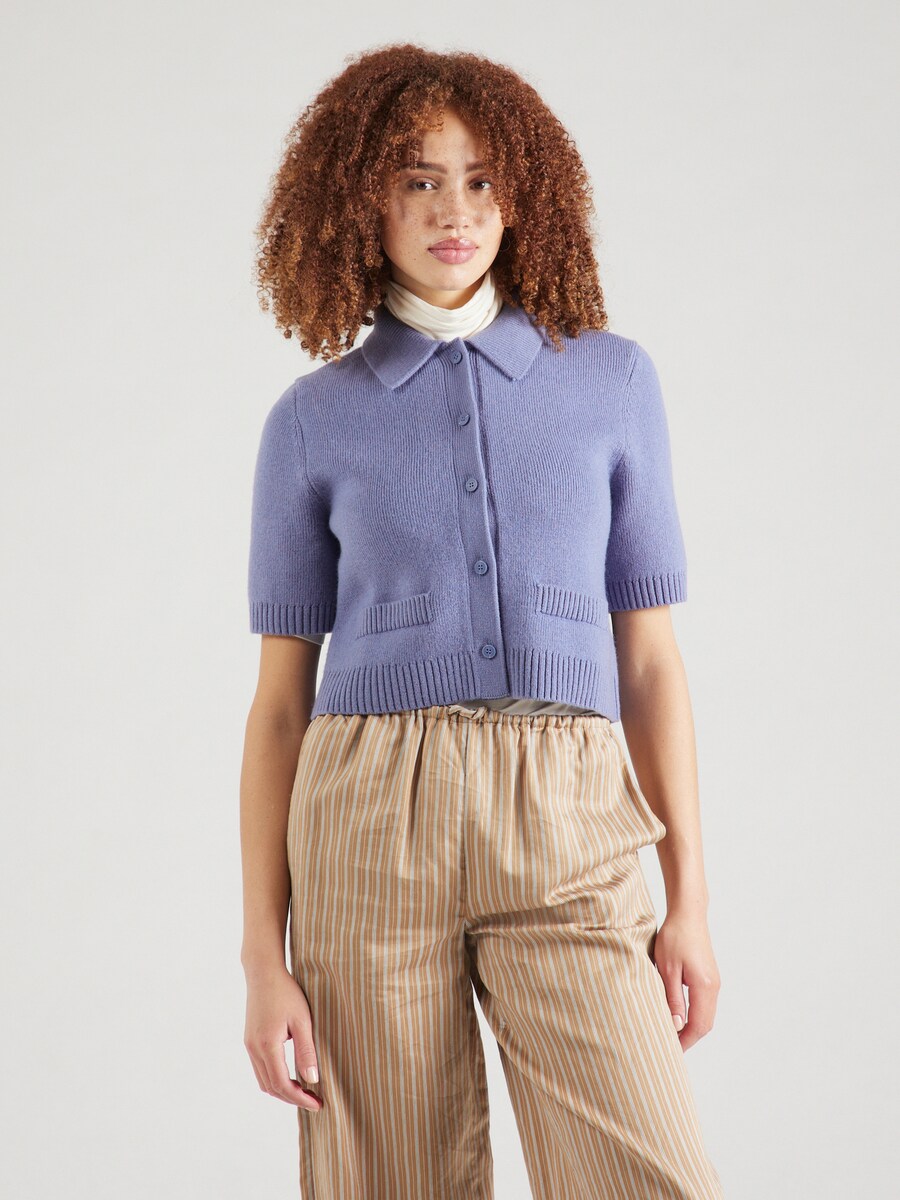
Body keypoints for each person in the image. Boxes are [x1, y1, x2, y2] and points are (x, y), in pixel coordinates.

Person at [240, 42, 725, 1200]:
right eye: (417, 180)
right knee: (391, 1180)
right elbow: (279, 709)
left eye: (480, 178)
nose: (453, 210)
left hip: (570, 813)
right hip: (367, 818)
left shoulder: (611, 384)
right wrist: (263, 954)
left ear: (524, 193)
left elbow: (651, 665)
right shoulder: (311, 421)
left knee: (652, 1175)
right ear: (361, 200)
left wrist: (690, 901)